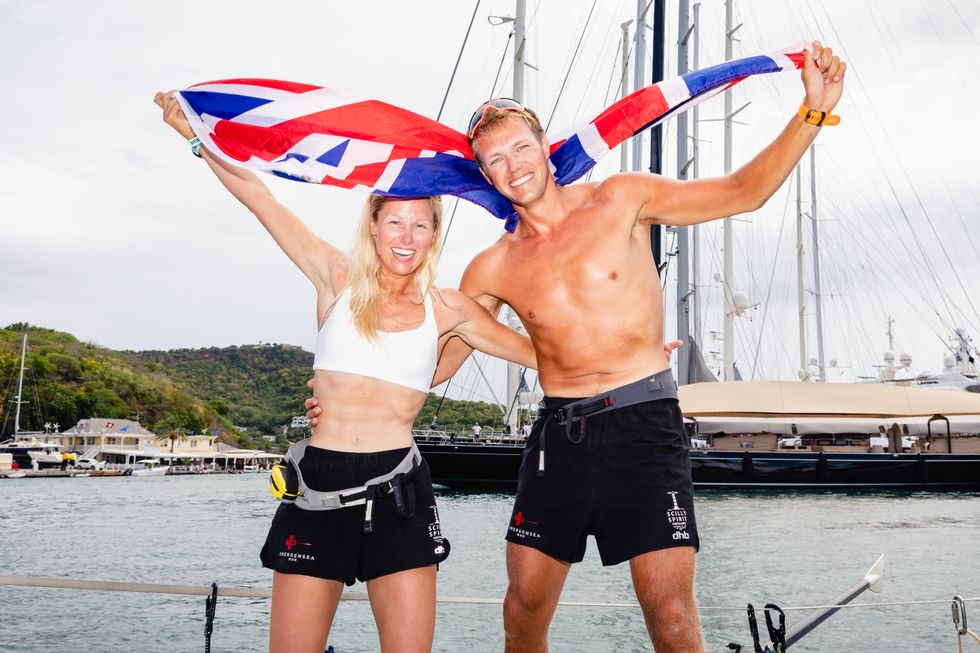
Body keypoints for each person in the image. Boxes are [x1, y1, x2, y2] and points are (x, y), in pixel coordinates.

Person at [434, 41, 843, 652]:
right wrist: (351, 388)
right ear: (485, 175)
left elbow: (742, 191)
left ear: (544, 145)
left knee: (670, 613)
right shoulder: (490, 268)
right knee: (522, 609)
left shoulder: (620, 198)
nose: (512, 165)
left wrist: (812, 112)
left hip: (644, 422)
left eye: (520, 147)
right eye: (495, 159)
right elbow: (440, 367)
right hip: (559, 438)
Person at [154, 91, 536, 653]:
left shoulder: (450, 310)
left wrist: (636, 350)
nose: (406, 237)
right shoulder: (336, 278)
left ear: (434, 235)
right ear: (374, 226)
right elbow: (259, 197)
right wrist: (196, 137)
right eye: (395, 222)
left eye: (420, 226)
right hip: (317, 486)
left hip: (400, 489)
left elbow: (542, 353)